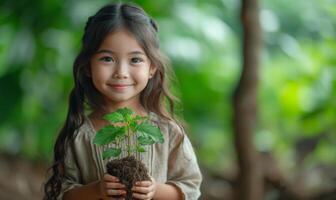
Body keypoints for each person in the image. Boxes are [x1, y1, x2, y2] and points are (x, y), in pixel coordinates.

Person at [43, 2, 202, 200]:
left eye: (135, 60)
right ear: (87, 66)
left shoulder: (168, 131)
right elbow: (61, 193)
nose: (121, 73)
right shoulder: (79, 135)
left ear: (152, 67)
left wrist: (155, 190)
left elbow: (190, 187)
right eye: (107, 59)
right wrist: (96, 189)